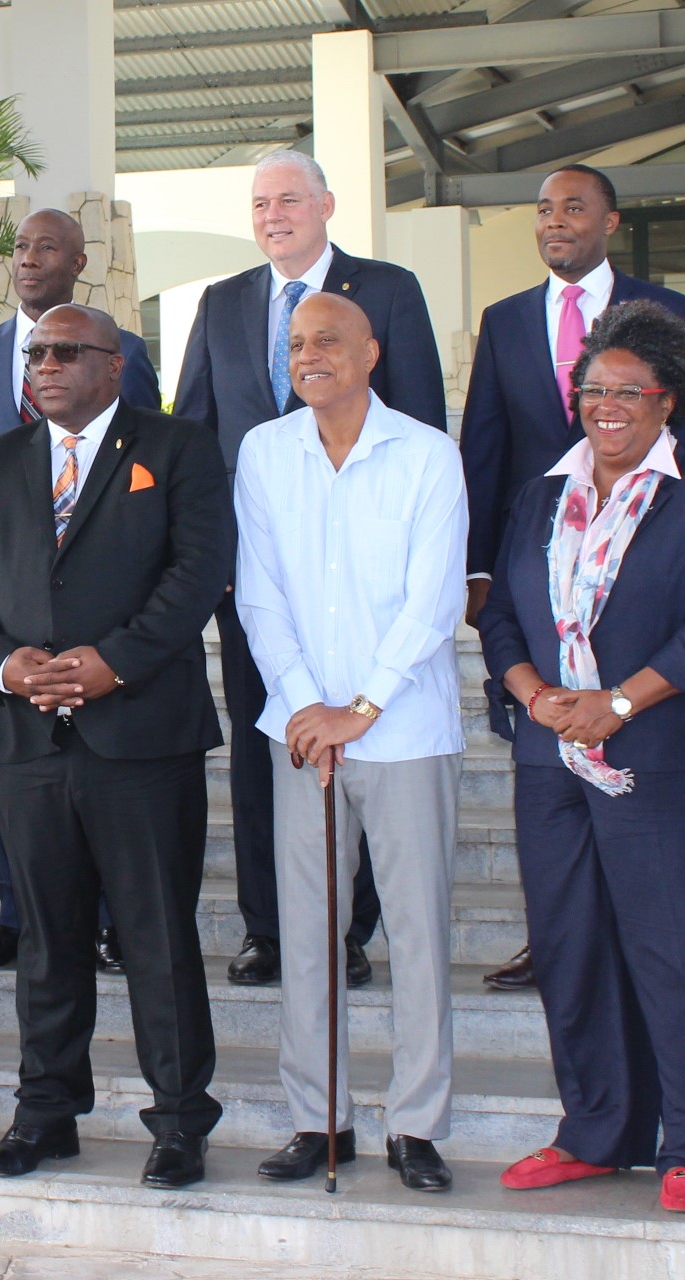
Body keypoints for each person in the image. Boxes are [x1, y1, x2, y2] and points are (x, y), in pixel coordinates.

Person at [476, 300, 685, 1215]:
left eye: (627, 391)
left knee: (682, 953)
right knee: (572, 947)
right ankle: (597, 1129)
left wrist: (619, 702)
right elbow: (503, 616)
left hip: (674, 756)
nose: (606, 405)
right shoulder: (539, 496)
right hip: (549, 757)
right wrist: (533, 695)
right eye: (592, 389)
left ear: (666, 400)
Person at [0, 303, 230, 1190]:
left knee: (156, 936)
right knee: (46, 938)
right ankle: (47, 1114)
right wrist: (3, 666)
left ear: (115, 365)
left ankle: (180, 1121)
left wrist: (115, 664)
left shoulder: (175, 448)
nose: (46, 364)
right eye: (37, 353)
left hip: (141, 736)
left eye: (67, 352)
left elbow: (198, 572)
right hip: (26, 737)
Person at [174, 150, 446, 987]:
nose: (273, 214)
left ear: (327, 203)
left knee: (362, 747)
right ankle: (271, 929)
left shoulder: (388, 289)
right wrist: (207, 558)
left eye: (289, 198)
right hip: (258, 583)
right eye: (260, 203)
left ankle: (349, 931)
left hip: (370, 581)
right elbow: (192, 432)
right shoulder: (222, 303)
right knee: (270, 746)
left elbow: (421, 413)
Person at [460, 164, 685, 994]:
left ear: (609, 220)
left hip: (639, 572)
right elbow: (487, 448)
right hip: (539, 580)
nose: (554, 220)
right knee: (543, 758)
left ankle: (635, 928)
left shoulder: (666, 310)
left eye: (573, 206)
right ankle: (555, 936)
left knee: (630, 743)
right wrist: (482, 568)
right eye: (542, 209)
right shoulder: (502, 322)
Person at [235, 293, 466, 1193]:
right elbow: (259, 594)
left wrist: (359, 709)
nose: (308, 355)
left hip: (404, 730)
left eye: (327, 340)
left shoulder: (425, 453)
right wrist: (304, 706)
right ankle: (317, 1119)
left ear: (371, 352)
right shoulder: (266, 452)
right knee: (308, 933)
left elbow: (434, 602)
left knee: (415, 933)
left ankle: (417, 1125)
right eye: (295, 344)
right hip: (301, 734)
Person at [0, 209, 161, 973]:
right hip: (10, 612)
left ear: (78, 261)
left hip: (105, 614)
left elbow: (144, 468)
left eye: (46, 248)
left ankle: (103, 919)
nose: (29, 259)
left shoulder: (125, 350)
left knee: (98, 783)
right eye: (20, 248)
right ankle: (14, 915)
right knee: (21, 775)